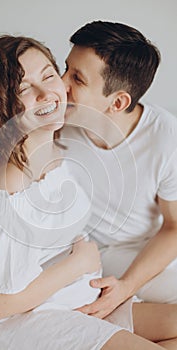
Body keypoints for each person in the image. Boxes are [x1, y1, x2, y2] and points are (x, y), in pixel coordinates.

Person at [0, 35, 177, 350]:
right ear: (2, 104)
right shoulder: (7, 187)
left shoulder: (55, 146)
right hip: (21, 319)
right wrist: (78, 264)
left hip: (68, 294)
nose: (53, 91)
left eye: (48, 75)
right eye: (24, 88)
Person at [62, 20, 177, 321]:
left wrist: (127, 286)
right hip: (81, 256)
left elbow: (174, 227)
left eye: (77, 78)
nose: (61, 84)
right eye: (65, 69)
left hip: (140, 253)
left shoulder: (165, 137)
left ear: (118, 102)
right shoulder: (57, 121)